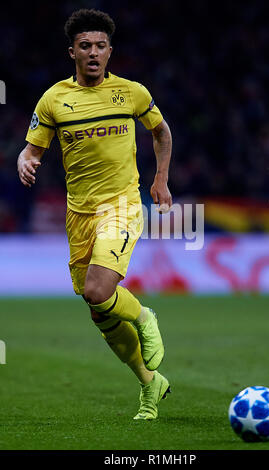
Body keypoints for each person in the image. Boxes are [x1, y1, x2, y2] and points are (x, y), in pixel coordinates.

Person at [17, 9, 173, 420]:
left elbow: (161, 131)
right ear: (72, 52)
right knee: (97, 308)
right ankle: (149, 383)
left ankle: (144, 314)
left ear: (109, 51)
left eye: (100, 46)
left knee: (100, 291)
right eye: (85, 46)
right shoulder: (54, 99)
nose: (93, 52)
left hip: (121, 204)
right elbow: (32, 150)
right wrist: (24, 159)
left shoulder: (132, 93)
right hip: (78, 213)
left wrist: (161, 180)